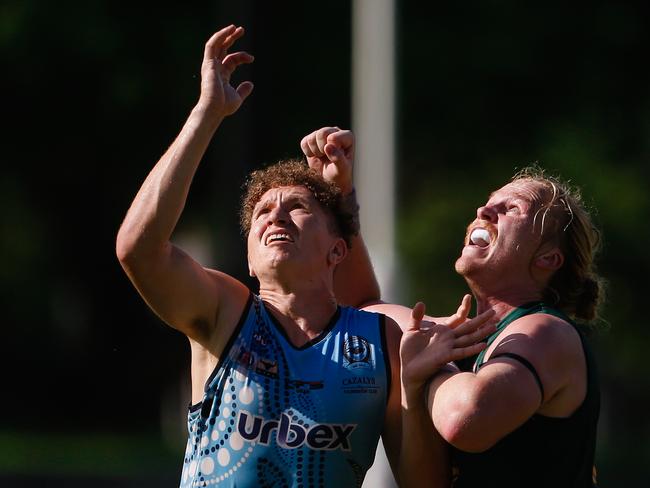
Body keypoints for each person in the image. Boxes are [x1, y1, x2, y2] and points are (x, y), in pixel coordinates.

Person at [116, 26, 490, 488]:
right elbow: (138, 248)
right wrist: (207, 113)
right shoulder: (225, 311)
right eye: (261, 212)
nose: (274, 216)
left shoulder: (380, 339)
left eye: (296, 207)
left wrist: (414, 387)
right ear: (249, 260)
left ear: (338, 250)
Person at [301, 128, 603, 487]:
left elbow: (467, 419)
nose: (483, 210)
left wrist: (427, 369)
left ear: (548, 258)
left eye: (511, 209)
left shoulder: (546, 331)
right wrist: (339, 197)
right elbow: (363, 308)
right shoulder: (452, 339)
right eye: (490, 201)